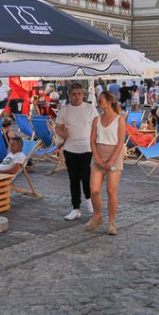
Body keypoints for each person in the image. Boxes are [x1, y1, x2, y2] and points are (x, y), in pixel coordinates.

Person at [54, 82, 97, 221]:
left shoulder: (90, 108)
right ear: (69, 95)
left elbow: (97, 126)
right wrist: (64, 134)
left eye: (79, 94)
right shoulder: (64, 110)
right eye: (73, 94)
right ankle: (76, 208)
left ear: (83, 94)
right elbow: (58, 127)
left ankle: (89, 201)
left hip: (86, 148)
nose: (76, 96)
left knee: (86, 175)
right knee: (73, 179)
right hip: (70, 149)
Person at [85, 91, 126, 236]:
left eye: (101, 100)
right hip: (98, 156)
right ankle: (97, 216)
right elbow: (92, 140)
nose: (98, 102)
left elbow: (121, 142)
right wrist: (97, 158)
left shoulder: (119, 120)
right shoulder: (97, 119)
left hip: (114, 156)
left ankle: (111, 222)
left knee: (111, 191)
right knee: (94, 189)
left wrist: (111, 160)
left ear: (109, 101)